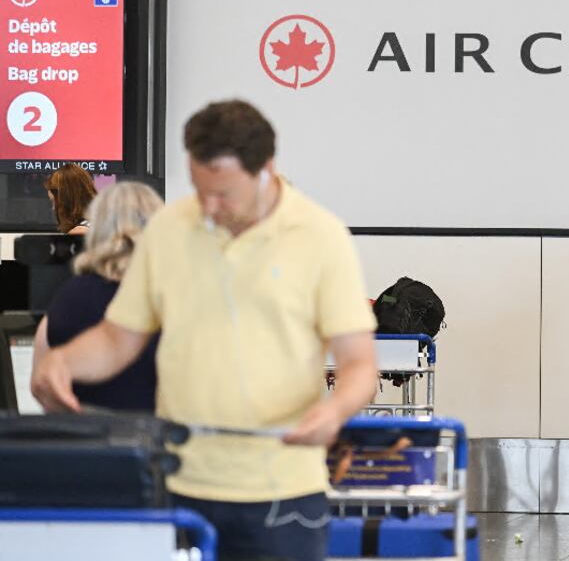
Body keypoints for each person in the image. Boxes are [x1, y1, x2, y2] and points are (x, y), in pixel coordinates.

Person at [32, 99, 380, 561]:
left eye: (225, 194)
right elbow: (118, 339)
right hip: (179, 485)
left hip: (283, 494)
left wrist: (335, 411)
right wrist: (63, 361)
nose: (210, 209)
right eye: (200, 191)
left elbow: (359, 365)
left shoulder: (321, 237)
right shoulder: (168, 231)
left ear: (266, 170)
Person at [31, 182, 164, 411]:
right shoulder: (169, 296)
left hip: (82, 431)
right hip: (159, 431)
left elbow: (41, 386)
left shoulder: (67, 297)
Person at [44, 163, 97, 235]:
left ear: (67, 201)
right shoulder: (101, 223)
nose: (53, 208)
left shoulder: (79, 232)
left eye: (54, 201)